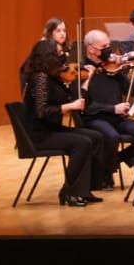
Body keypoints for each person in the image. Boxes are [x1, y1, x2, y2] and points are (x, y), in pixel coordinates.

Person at [20, 41, 101, 205]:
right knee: (82, 143)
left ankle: (82, 190)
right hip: (39, 134)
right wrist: (69, 107)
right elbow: (42, 111)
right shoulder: (40, 78)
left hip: (52, 129)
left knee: (95, 137)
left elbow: (73, 99)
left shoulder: (53, 77)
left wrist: (86, 82)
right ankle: (69, 193)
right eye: (58, 53)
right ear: (47, 56)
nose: (63, 56)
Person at [81, 29, 134, 189]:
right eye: (104, 46)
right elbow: (86, 105)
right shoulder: (82, 71)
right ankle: (106, 173)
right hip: (94, 118)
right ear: (91, 49)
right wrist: (113, 108)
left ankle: (112, 162)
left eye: (109, 45)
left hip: (117, 119)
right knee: (112, 137)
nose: (109, 50)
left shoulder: (113, 68)